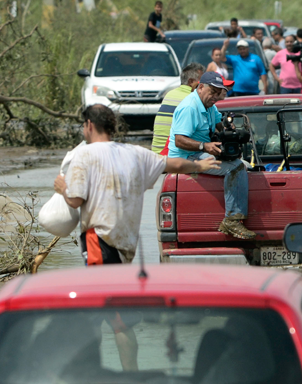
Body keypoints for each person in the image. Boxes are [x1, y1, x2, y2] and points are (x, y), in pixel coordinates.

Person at [55, 104, 217, 267]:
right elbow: (176, 165)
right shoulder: (136, 153)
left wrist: (63, 189)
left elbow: (75, 200)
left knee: (101, 289)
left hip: (98, 240)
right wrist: (198, 166)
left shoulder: (84, 154)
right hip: (126, 243)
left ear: (89, 125)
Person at [168, 71, 255, 240]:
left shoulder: (209, 106)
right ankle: (232, 219)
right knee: (236, 167)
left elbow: (219, 126)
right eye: (212, 92)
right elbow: (179, 140)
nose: (215, 97)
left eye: (218, 93)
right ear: (200, 87)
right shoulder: (190, 107)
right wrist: (204, 146)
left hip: (199, 152)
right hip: (184, 157)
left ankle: (233, 214)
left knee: (245, 165)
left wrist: (231, 134)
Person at [151, 63, 205, 154]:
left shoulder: (170, 94)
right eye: (202, 80)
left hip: (156, 151)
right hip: (170, 153)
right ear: (191, 81)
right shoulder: (193, 98)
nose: (205, 84)